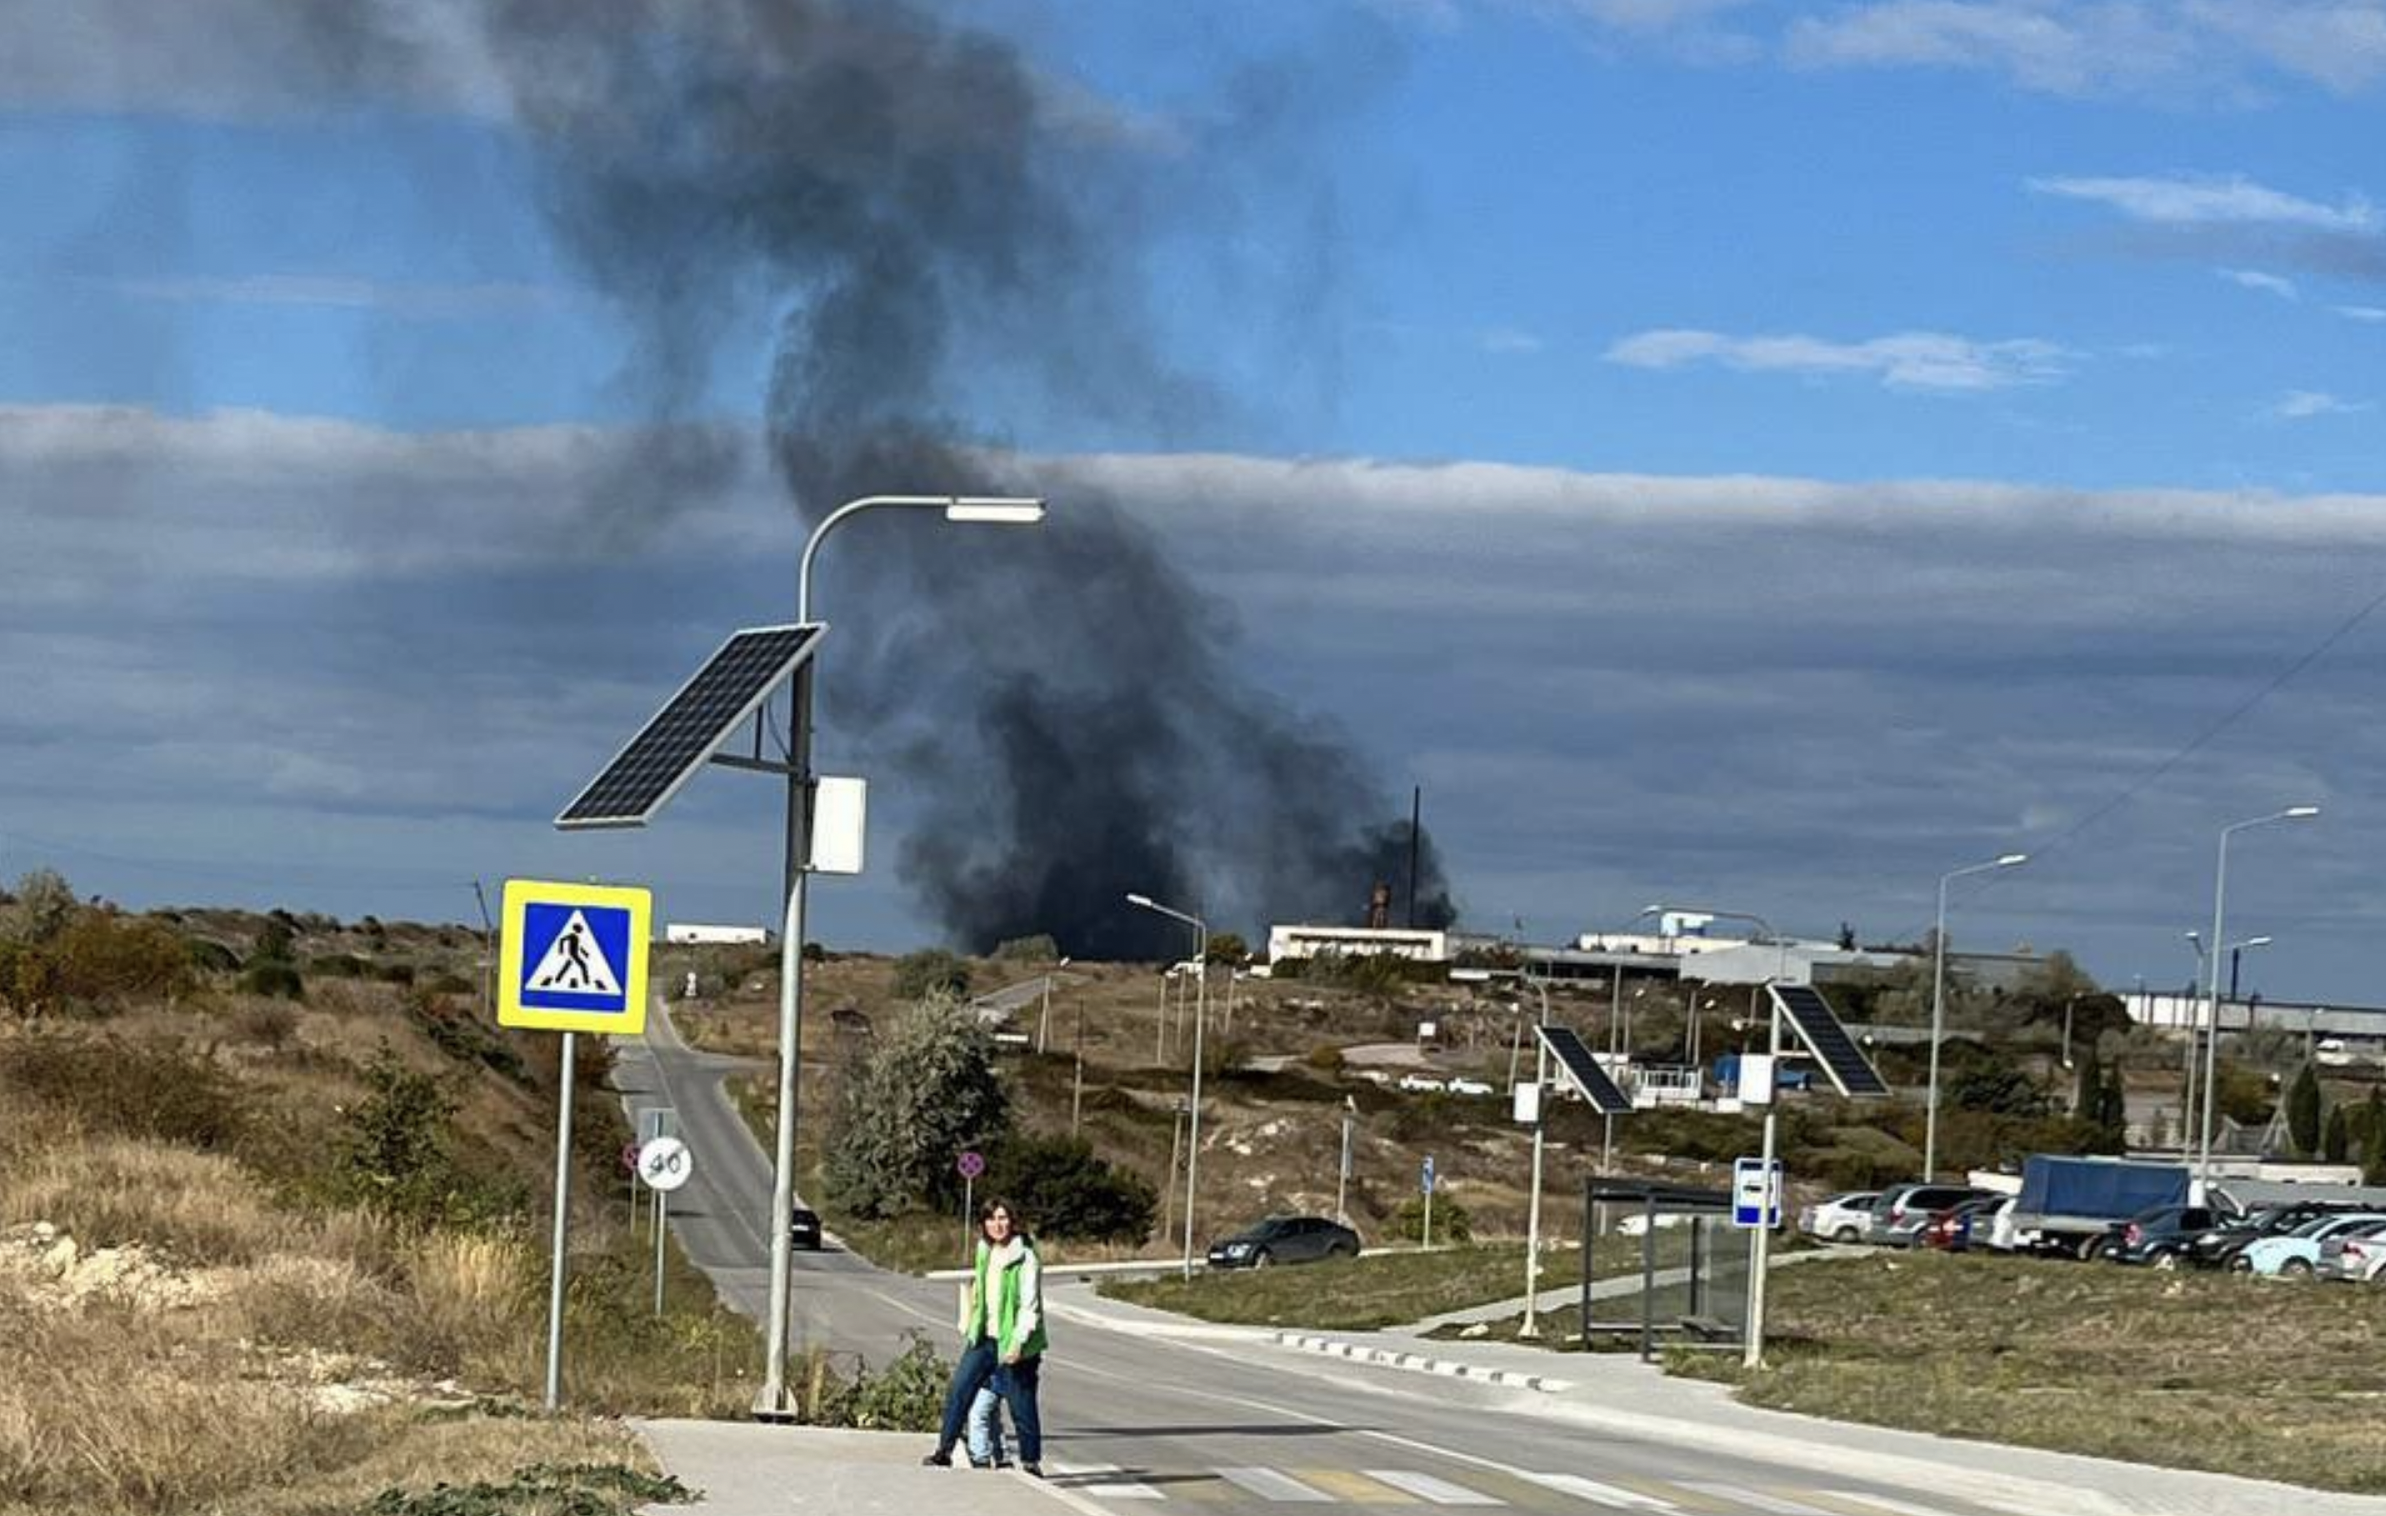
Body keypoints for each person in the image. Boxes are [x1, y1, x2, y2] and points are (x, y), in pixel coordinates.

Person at [978, 1198, 1047, 1477]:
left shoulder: (1026, 1256)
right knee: (978, 1402)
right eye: (991, 1218)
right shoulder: (986, 1251)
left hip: (1018, 1346)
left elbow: (1030, 1306)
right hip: (990, 1341)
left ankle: (1030, 1462)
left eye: (1003, 1218)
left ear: (1013, 1221)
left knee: (1021, 1405)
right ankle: (983, 1455)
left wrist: (1018, 1342)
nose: (997, 1224)